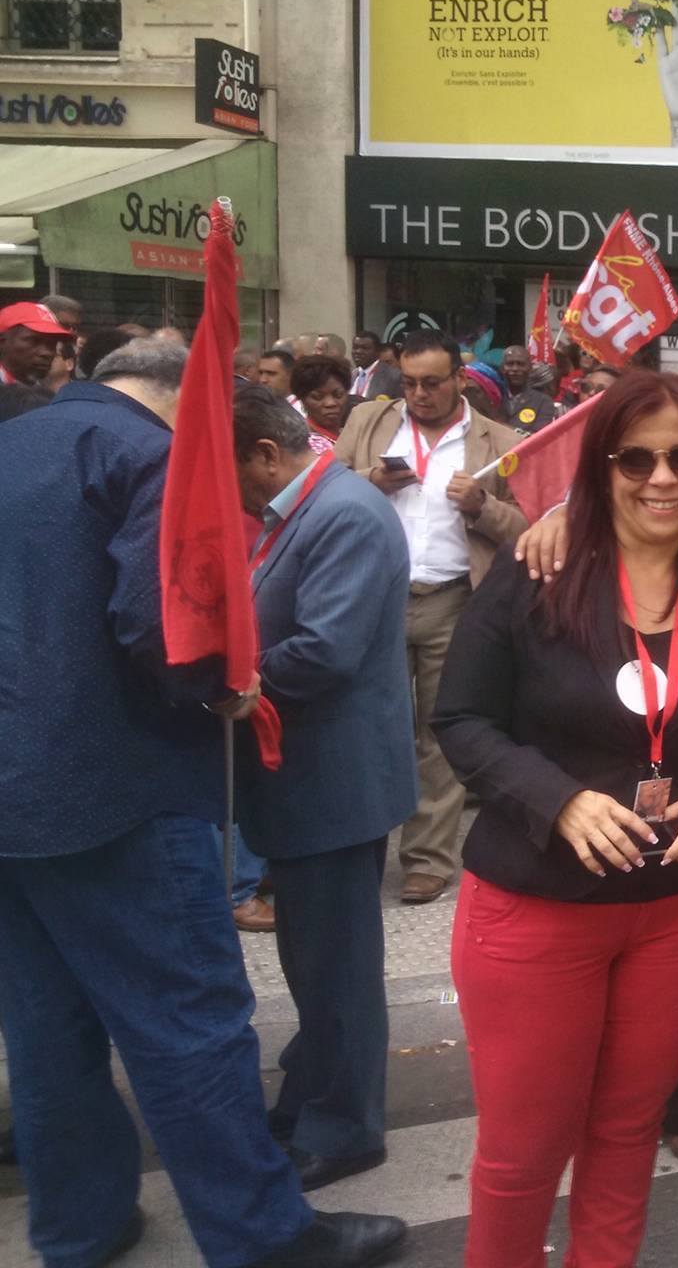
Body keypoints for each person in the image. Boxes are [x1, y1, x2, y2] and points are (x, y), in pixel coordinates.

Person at [0, 337, 407, 1268]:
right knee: (188, 1022)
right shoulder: (147, 456)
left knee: (46, 1024)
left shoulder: (15, 441)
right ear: (186, 401)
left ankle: (79, 1223)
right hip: (120, 787)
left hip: (16, 789)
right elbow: (161, 620)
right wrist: (220, 685)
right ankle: (263, 1237)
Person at [433, 371, 678, 1267]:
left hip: (676, 914)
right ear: (603, 466)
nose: (664, 478)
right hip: (538, 910)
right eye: (638, 457)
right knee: (523, 1154)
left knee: (625, 1137)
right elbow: (461, 719)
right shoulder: (536, 573)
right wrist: (557, 798)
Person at [232, 389, 416, 1191]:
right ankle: (312, 1091)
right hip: (306, 778)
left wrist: (232, 682)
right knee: (311, 957)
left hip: (334, 779)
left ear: (265, 456)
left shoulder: (342, 513)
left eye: (227, 468)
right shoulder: (304, 510)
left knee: (335, 963)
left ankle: (346, 1126)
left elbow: (324, 651)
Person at [335, 331, 528, 904]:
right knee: (370, 729)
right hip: (374, 595)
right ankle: (361, 848)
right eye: (408, 382)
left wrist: (483, 507)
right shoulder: (368, 423)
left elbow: (531, 527)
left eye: (432, 382)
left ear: (460, 380)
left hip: (454, 599)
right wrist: (368, 482)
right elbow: (321, 489)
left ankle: (427, 859)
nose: (417, 394)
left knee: (438, 736)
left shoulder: (501, 440)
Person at [0, 301, 72, 386]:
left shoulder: (47, 392)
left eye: (52, 343)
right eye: (34, 341)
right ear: (2, 341)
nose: (47, 353)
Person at [291, 354, 352, 453]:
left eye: (338, 395)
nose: (330, 403)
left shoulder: (352, 435)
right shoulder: (304, 445)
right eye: (317, 397)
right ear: (302, 399)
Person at [500, 344, 557, 435]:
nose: (515, 369)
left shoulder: (543, 402)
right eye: (510, 364)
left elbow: (539, 438)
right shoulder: (493, 397)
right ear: (502, 368)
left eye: (521, 364)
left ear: (530, 368)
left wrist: (501, 427)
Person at [350, 329, 403, 400]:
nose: (358, 351)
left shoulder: (394, 376)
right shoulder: (351, 375)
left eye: (364, 348)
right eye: (355, 347)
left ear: (377, 351)